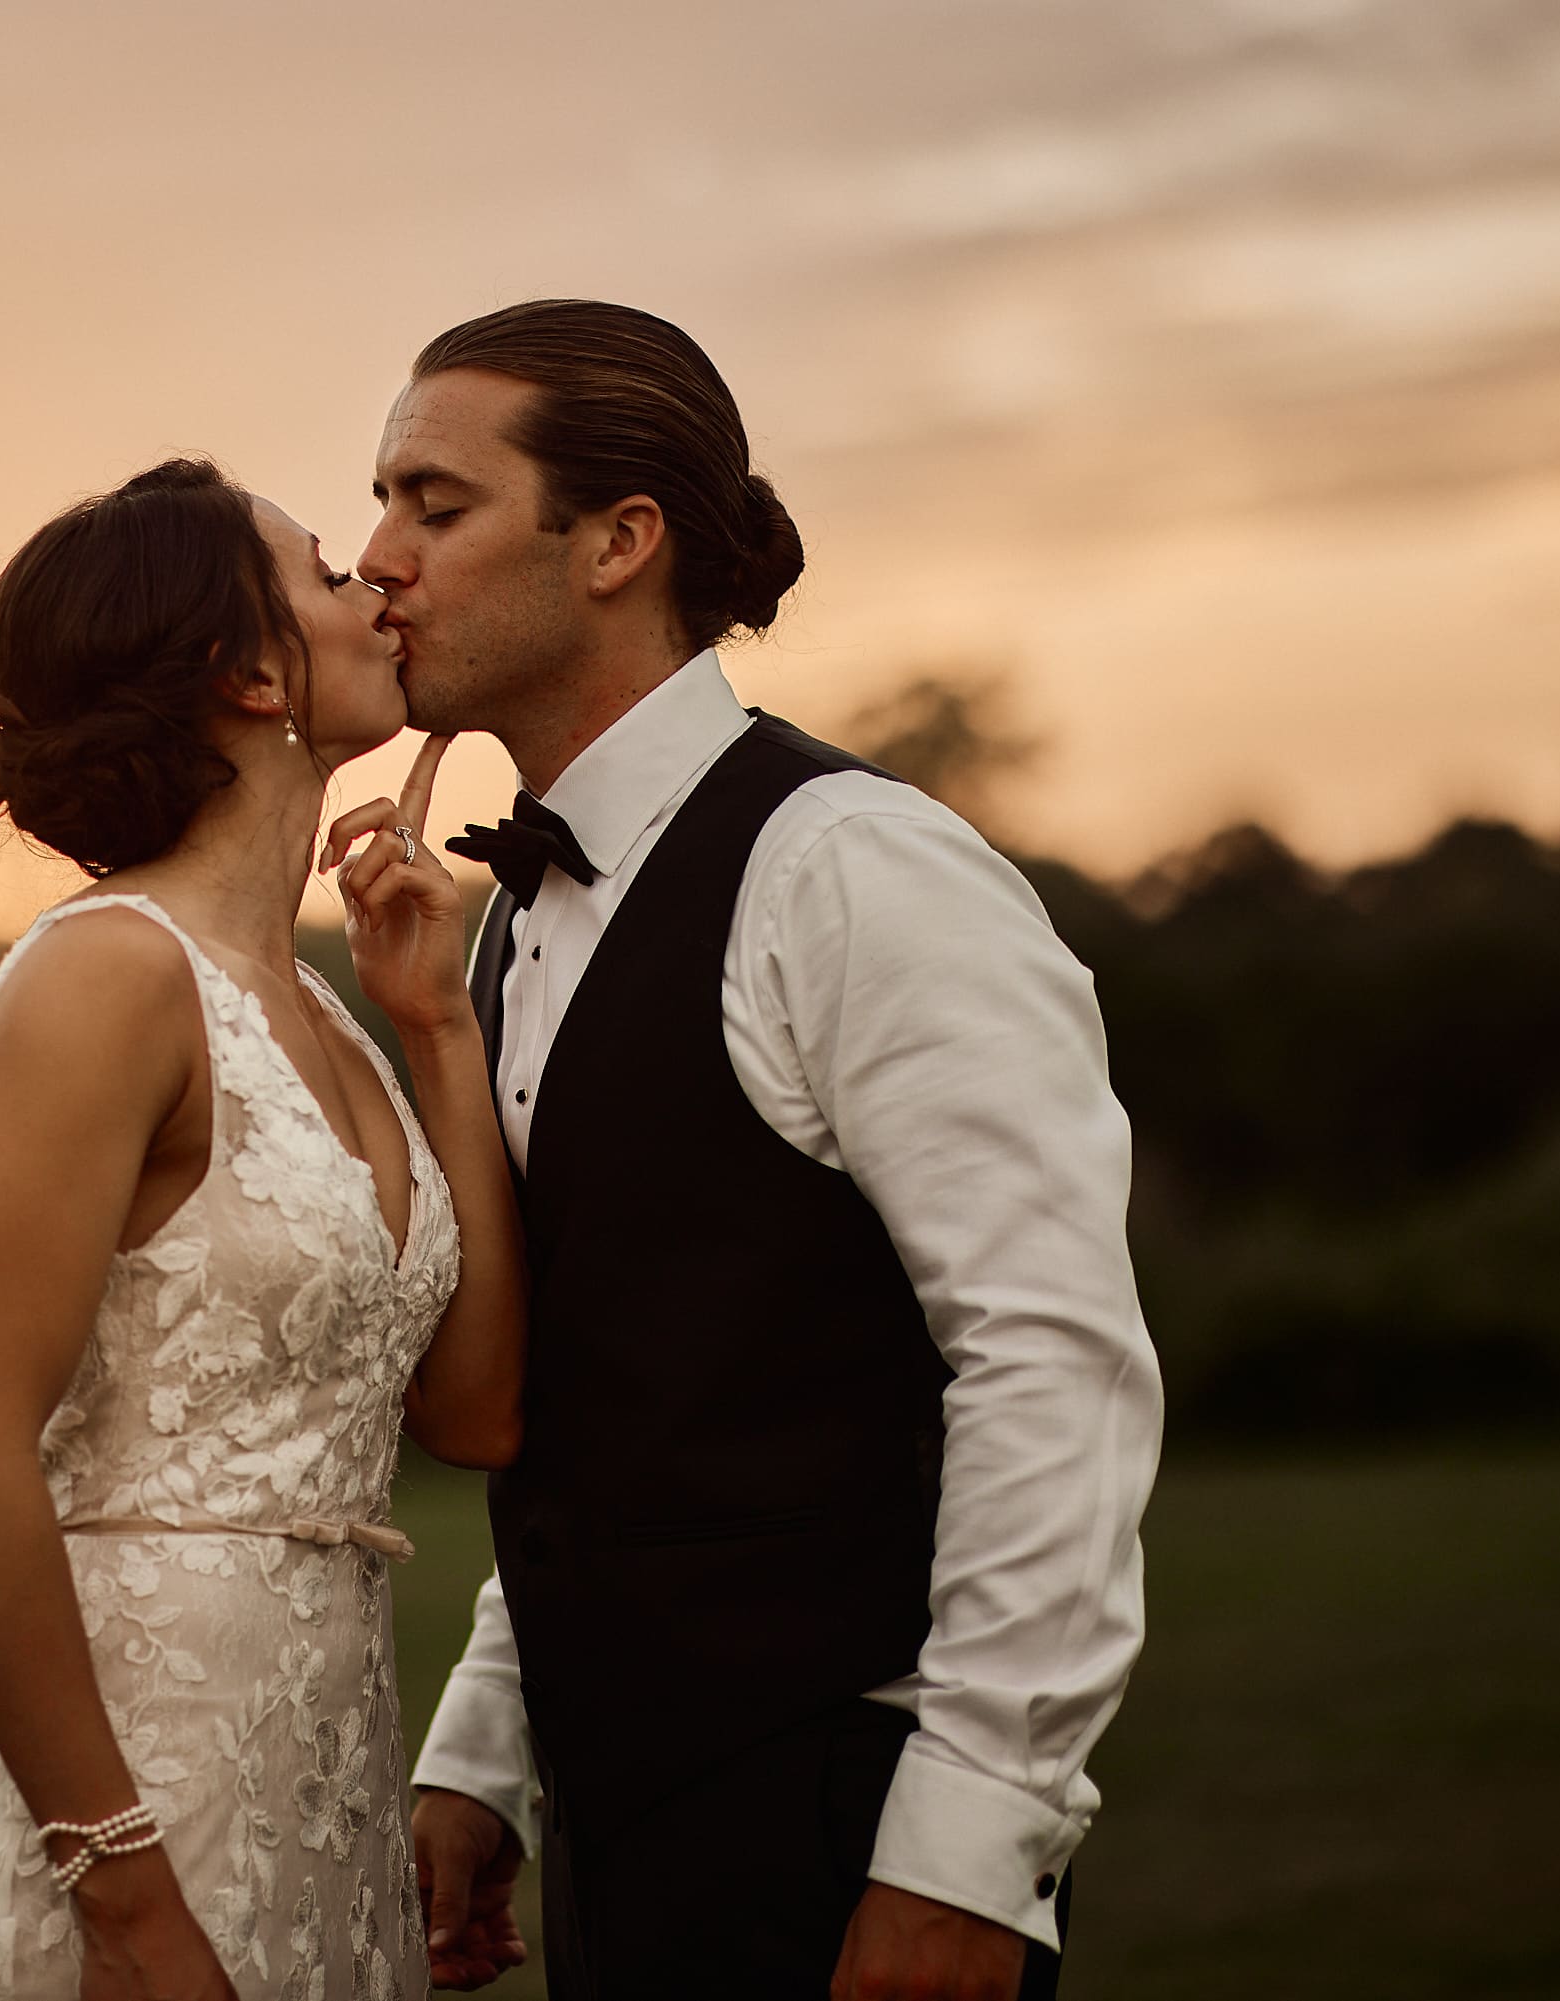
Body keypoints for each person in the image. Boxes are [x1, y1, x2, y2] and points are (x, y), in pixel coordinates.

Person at [375, 302, 1164, 2000]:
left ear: (619, 542)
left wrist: (970, 1847)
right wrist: (487, 1741)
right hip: (623, 1823)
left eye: (435, 505)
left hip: (847, 1815)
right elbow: (623, 1388)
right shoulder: (511, 924)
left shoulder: (852, 871)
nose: (379, 559)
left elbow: (1051, 1360)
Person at [0, 458, 530, 2000]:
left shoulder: (329, 1010)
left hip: (322, 1778)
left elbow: (477, 1412)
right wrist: (123, 1898)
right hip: (128, 1801)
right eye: (324, 571)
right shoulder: (102, 975)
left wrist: (440, 1028)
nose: (374, 582)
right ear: (246, 672)